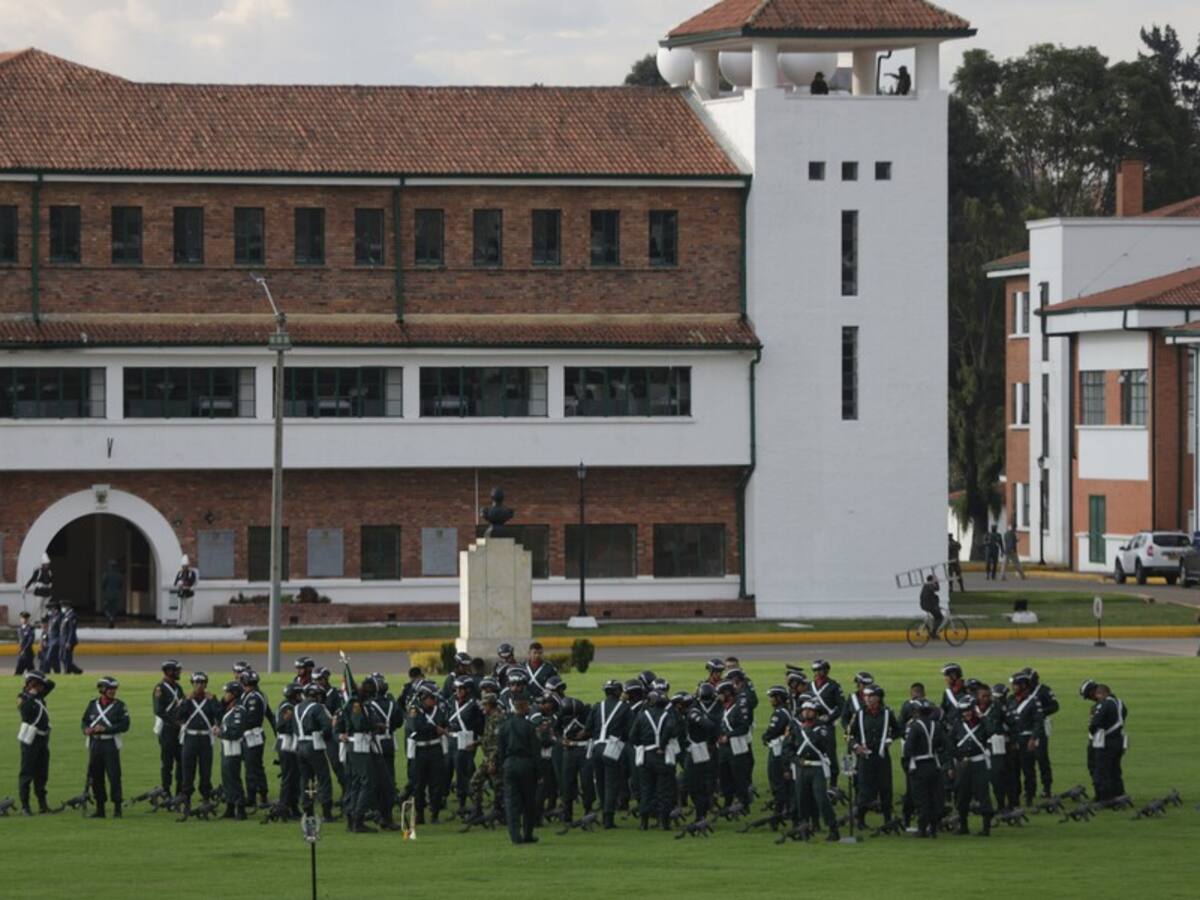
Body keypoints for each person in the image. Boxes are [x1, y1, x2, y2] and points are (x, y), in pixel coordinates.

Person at [847, 684, 901, 828]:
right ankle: (861, 819)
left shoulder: (888, 713)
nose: (868, 699)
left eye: (871, 696)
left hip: (882, 757)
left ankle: (887, 820)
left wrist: (889, 739)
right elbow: (849, 735)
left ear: (879, 698)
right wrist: (856, 746)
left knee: (885, 789)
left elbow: (897, 730)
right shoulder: (859, 714)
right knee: (864, 790)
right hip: (865, 757)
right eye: (866, 696)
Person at [498, 695, 545, 844]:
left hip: (509, 764)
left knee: (511, 801)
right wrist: (539, 772)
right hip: (526, 765)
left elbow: (501, 750)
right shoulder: (529, 727)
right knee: (528, 801)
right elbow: (536, 751)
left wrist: (502, 767)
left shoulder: (505, 726)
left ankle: (515, 835)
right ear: (524, 707)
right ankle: (528, 834)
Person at [791, 699, 840, 840]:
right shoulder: (797, 728)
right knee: (802, 799)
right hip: (801, 767)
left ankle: (833, 828)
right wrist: (796, 760)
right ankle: (804, 828)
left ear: (816, 713)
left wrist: (807, 730)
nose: (806, 712)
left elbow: (823, 745)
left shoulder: (822, 729)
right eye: (804, 710)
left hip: (817, 767)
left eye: (810, 710)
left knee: (821, 799)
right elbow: (788, 748)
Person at [81, 676, 129, 818]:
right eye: (110, 689)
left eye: (114, 689)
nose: (113, 691)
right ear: (102, 689)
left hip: (110, 744)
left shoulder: (120, 706)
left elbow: (125, 725)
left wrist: (106, 729)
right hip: (95, 743)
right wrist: (86, 730)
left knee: (114, 776)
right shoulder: (92, 704)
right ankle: (100, 808)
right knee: (96, 776)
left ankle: (117, 807)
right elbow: (84, 721)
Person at [586, 678, 630, 829]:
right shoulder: (624, 708)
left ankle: (603, 808)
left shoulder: (597, 706)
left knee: (600, 782)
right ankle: (608, 818)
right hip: (612, 747)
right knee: (611, 784)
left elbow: (588, 728)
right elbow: (629, 731)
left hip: (596, 747)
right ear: (617, 691)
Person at [175, 672, 221, 810]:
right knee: (187, 769)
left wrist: (213, 701)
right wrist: (186, 701)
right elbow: (178, 715)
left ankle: (206, 797)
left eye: (202, 683)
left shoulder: (211, 699)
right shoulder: (187, 699)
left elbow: (219, 715)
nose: (199, 685)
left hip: (205, 738)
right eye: (196, 683)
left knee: (205, 770)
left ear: (206, 684)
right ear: (192, 684)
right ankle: (186, 798)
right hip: (190, 737)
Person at [948, 696, 993, 835]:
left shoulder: (983, 723)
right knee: (962, 795)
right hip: (963, 764)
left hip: (979, 763)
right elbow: (950, 744)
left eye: (968, 710)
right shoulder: (958, 724)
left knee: (983, 794)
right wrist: (954, 762)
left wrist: (983, 718)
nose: (966, 713)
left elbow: (992, 730)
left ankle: (986, 828)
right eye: (964, 711)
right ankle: (963, 826)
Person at [903, 698, 948, 837]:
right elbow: (946, 745)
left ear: (917, 712)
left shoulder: (915, 726)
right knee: (934, 796)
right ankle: (933, 827)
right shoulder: (937, 725)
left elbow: (908, 749)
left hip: (919, 765)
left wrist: (908, 764)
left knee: (921, 798)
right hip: (934, 764)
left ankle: (922, 828)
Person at [406, 683, 448, 824]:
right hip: (420, 750)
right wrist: (434, 729)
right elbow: (415, 727)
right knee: (419, 784)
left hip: (435, 749)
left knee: (437, 783)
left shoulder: (438, 710)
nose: (434, 701)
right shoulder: (414, 710)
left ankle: (435, 813)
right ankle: (420, 814)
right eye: (431, 698)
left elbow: (445, 723)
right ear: (423, 697)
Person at [295, 682, 336, 820]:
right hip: (314, 745)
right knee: (323, 778)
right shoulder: (318, 707)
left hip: (299, 745)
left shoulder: (296, 707)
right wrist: (326, 737)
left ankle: (307, 810)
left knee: (305, 779)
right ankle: (326, 812)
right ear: (316, 695)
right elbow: (327, 726)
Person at [341, 680, 378, 833]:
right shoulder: (356, 705)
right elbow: (358, 724)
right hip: (359, 745)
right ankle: (358, 818)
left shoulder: (357, 704)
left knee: (356, 782)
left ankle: (352, 816)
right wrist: (374, 725)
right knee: (366, 781)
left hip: (357, 745)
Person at [1081, 680, 1127, 801]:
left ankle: (1104, 797)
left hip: (1105, 742)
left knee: (1100, 770)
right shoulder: (1120, 703)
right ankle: (1119, 795)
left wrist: (1092, 731)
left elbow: (1095, 723)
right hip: (1119, 740)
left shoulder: (1105, 704)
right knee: (1115, 769)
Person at [17, 671, 54, 815]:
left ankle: (42, 804)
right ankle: (25, 805)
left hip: (43, 740)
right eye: (39, 685)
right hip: (30, 739)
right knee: (27, 773)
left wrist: (40, 679)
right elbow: (25, 714)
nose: (42, 688)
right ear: (31, 684)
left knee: (42, 773)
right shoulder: (23, 697)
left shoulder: (39, 695)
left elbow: (51, 684)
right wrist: (31, 694)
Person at [447, 676, 484, 814]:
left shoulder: (475, 704)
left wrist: (477, 738)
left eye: (461, 688)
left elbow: (481, 722)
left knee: (463, 770)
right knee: (449, 768)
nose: (458, 691)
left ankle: (465, 801)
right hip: (452, 739)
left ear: (468, 689)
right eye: (456, 688)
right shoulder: (451, 701)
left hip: (467, 739)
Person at [238, 670, 274, 807]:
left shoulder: (253, 697)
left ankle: (255, 796)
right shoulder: (253, 694)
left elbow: (251, 719)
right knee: (254, 766)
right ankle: (259, 795)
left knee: (253, 767)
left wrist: (237, 726)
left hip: (253, 735)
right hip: (252, 735)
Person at [1008, 671, 1045, 807]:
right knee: (1013, 770)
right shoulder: (1011, 699)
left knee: (1028, 770)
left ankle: (1029, 796)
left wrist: (1033, 738)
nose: (1013, 687)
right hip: (1014, 739)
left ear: (1023, 685)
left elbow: (1038, 722)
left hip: (1026, 738)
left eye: (1016, 685)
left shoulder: (1033, 701)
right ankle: (1015, 797)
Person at [808, 659, 844, 788]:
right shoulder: (810, 686)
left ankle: (833, 785)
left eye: (820, 670)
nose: (817, 673)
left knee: (830, 753)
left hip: (827, 726)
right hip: (812, 725)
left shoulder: (834, 686)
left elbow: (841, 706)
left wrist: (829, 717)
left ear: (826, 671)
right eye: (815, 670)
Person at [215, 681, 248, 820]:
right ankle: (230, 806)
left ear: (234, 694)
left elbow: (236, 732)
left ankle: (240, 808)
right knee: (226, 777)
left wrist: (220, 732)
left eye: (227, 692)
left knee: (233, 778)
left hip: (234, 747)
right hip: (227, 747)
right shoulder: (230, 708)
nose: (225, 695)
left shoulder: (239, 710)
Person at [153, 660, 186, 796]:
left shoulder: (178, 687)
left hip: (179, 730)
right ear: (168, 671)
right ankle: (166, 791)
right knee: (167, 763)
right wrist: (174, 722)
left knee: (182, 761)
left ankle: (180, 791)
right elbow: (159, 710)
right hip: (167, 730)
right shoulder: (160, 688)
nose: (179, 673)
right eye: (176, 670)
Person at [1025, 667, 1059, 798]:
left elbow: (1055, 706)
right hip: (1026, 726)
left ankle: (1047, 787)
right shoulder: (1024, 692)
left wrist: (1039, 713)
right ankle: (1030, 788)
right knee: (1027, 759)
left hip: (1041, 725)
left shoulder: (1044, 690)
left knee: (1042, 757)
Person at [275, 682, 303, 818]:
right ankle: (284, 806)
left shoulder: (290, 706)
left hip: (290, 745)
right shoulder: (288, 708)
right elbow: (281, 726)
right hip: (287, 745)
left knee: (294, 776)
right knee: (289, 777)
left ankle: (292, 805)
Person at [173, 555, 197, 628]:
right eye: (183, 566)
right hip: (181, 593)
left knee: (189, 609)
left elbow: (193, 582)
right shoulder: (180, 573)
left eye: (185, 566)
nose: (184, 568)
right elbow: (175, 583)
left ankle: (189, 623)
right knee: (180, 610)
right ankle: (180, 623)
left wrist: (189, 587)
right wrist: (179, 583)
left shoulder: (192, 573)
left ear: (188, 566)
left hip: (189, 594)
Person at [59, 602, 83, 674]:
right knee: (62, 657)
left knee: (67, 657)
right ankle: (76, 670)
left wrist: (69, 642)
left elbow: (71, 630)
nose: (62, 608)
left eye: (63, 606)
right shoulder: (66, 616)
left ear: (68, 607)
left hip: (68, 641)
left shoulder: (72, 616)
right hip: (64, 640)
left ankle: (67, 672)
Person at [100, 559, 123, 628]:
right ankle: (112, 617)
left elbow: (103, 585)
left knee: (106, 608)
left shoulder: (106, 574)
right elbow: (120, 585)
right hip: (116, 595)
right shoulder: (119, 575)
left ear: (109, 566)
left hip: (108, 595)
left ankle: (110, 617)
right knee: (114, 609)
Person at [15, 611, 36, 675]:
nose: (24, 620)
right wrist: (20, 649)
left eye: (26, 618)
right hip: (21, 654)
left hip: (28, 653)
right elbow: (20, 641)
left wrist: (24, 650)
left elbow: (30, 641)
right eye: (22, 618)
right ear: (20, 619)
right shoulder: (19, 629)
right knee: (18, 672)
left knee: (31, 672)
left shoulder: (30, 628)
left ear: (28, 619)